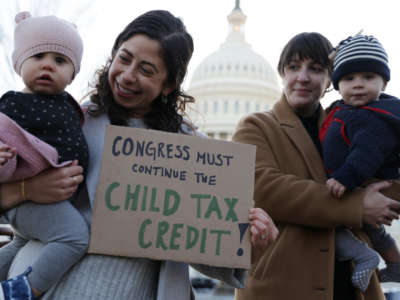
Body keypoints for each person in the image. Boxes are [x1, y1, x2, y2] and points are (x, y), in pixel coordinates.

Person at [0, 10, 278, 300]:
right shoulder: (69, 122)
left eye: (146, 70)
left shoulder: (197, 157)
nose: (127, 76)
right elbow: (22, 218)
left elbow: (199, 244)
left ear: (168, 85)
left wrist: (249, 244)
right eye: (124, 58)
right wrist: (25, 189)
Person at [232, 32, 400, 300]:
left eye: (316, 69)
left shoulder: (354, 124)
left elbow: (385, 182)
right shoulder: (256, 126)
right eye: (293, 67)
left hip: (351, 286)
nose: (303, 77)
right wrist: (357, 206)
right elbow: (264, 189)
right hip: (282, 287)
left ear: (329, 81)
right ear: (282, 74)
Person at [0, 12, 89, 300]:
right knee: (75, 238)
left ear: (73, 74)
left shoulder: (69, 105)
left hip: (50, 205)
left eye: (60, 61)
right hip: (29, 200)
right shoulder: (14, 105)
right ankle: (23, 290)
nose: (48, 65)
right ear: (19, 63)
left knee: (20, 244)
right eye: (38, 56)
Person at [320, 33, 400, 292]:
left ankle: (367, 257)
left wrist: (345, 177)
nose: (358, 84)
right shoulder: (345, 111)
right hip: (357, 185)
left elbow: (367, 153)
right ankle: (395, 264)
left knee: (343, 226)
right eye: (348, 78)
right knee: (376, 232)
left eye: (368, 77)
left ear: (384, 83)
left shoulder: (372, 118)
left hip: (357, 182)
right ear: (337, 83)